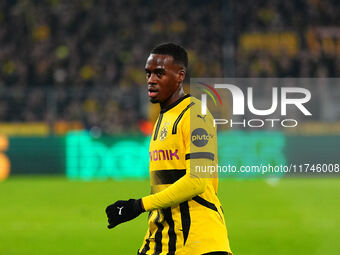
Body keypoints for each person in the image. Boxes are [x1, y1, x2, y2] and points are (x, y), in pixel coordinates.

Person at [105, 42, 232, 255]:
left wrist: (138, 205)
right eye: (148, 74)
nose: (151, 80)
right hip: (162, 240)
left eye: (159, 73)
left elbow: (197, 181)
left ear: (180, 76)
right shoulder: (161, 120)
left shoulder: (195, 115)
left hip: (198, 243)